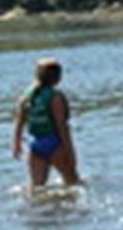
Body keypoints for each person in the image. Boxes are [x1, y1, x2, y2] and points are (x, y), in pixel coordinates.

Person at [11, 58, 80, 188]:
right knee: (73, 183)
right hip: (54, 144)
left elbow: (19, 121)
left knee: (36, 188)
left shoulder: (27, 96)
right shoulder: (55, 96)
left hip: (36, 145)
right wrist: (70, 151)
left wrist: (16, 144)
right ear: (58, 78)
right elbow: (62, 126)